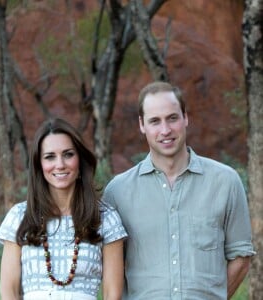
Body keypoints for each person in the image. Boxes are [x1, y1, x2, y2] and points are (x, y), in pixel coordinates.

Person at [103, 81, 255, 300]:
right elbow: (110, 271)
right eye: (155, 121)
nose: (165, 130)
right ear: (142, 125)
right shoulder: (117, 192)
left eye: (172, 118)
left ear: (185, 117)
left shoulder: (226, 182)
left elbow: (241, 256)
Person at [0, 117, 127, 300]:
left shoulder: (105, 218)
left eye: (68, 154)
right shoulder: (20, 217)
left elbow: (112, 295)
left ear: (80, 160)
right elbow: (9, 292)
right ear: (39, 166)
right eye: (50, 157)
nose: (60, 164)